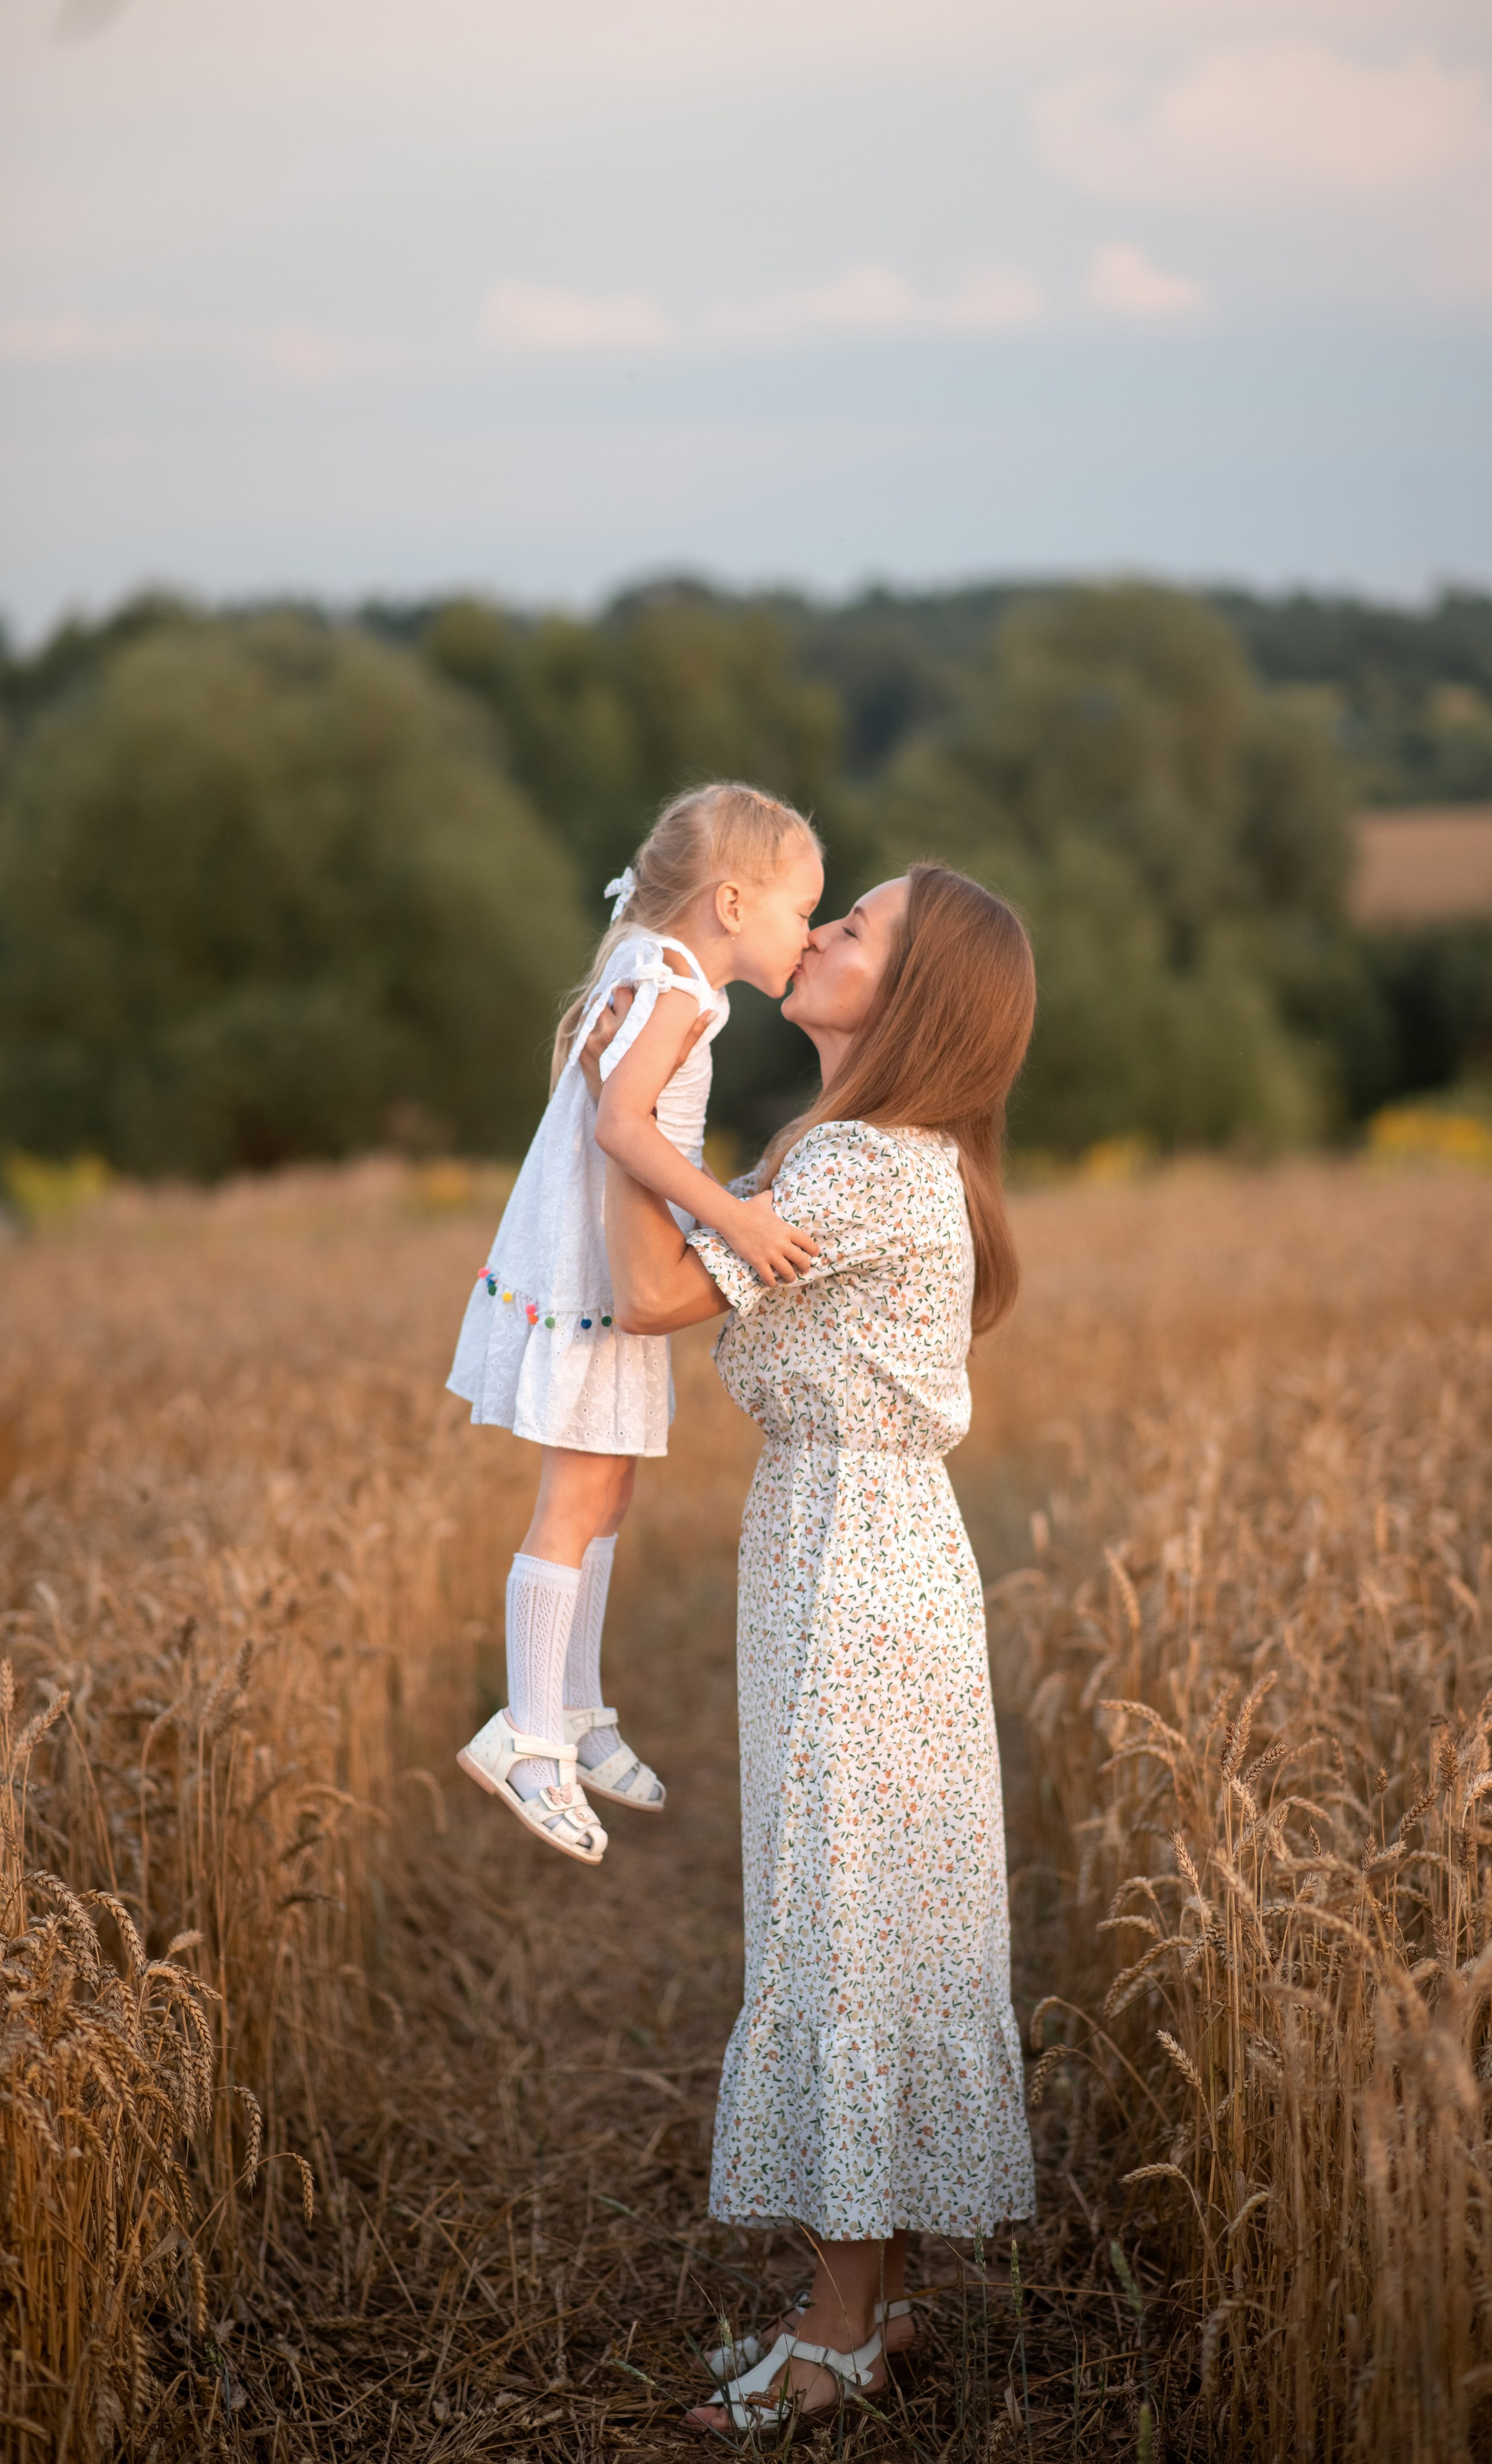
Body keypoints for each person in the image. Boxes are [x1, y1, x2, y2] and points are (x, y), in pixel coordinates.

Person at [585, 863, 1039, 2436]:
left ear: (909, 996)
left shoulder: (857, 1165)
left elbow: (646, 1288)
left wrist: (617, 1089)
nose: (822, 928)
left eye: (857, 928)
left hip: (852, 1562)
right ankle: (873, 2300)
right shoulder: (878, 1157)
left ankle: (839, 2336)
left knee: (849, 1919)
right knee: (880, 1916)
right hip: (857, 1544)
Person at [447, 783, 824, 1865]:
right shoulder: (675, 990)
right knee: (574, 1498)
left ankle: (574, 1708)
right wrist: (735, 1219)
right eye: (804, 911)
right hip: (590, 1272)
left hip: (598, 1266)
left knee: (608, 1482)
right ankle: (524, 1737)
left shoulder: (652, 973)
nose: (809, 932)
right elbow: (624, 1128)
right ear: (733, 901)